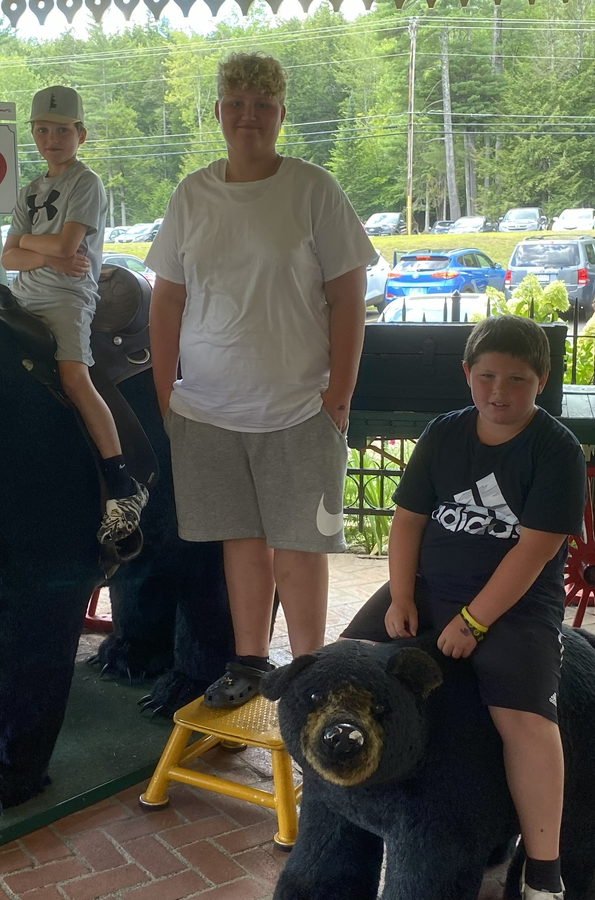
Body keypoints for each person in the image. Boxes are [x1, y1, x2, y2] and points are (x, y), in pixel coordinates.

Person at [146, 53, 375, 707]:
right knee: (240, 544)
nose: (249, 116)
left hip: (299, 406)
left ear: (281, 115)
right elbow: (167, 300)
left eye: (263, 105)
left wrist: (338, 396)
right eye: (238, 103)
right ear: (219, 111)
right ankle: (249, 664)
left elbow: (349, 296)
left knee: (301, 548)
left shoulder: (313, 189)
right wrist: (166, 396)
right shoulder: (191, 194)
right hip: (207, 409)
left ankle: (308, 675)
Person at [340, 315, 587, 900]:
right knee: (345, 662)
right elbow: (408, 520)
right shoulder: (444, 433)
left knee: (525, 719)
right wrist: (402, 594)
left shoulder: (557, 450)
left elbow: (534, 551)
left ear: (542, 380)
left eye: (517, 380)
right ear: (466, 375)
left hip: (515, 604)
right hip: (430, 584)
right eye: (487, 377)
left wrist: (475, 621)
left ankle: (544, 868)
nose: (500, 392)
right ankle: (348, 814)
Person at [2, 85, 147, 544]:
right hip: (21, 296)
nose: (52, 139)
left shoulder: (86, 183)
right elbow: (7, 257)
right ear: (33, 134)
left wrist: (34, 247)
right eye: (43, 130)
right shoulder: (29, 190)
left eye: (62, 130)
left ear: (80, 135)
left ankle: (122, 485)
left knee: (73, 378)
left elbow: (68, 246)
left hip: (67, 298)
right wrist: (46, 253)